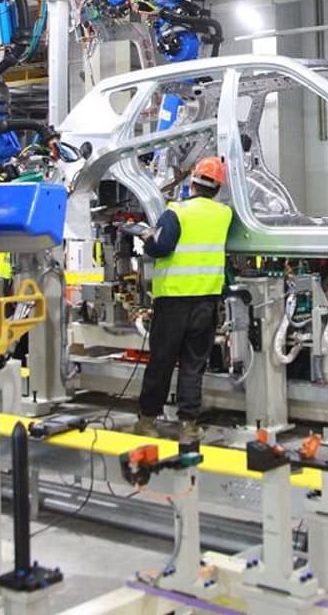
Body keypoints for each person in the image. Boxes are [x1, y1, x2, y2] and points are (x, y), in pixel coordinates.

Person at [133, 156, 234, 442]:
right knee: (193, 364)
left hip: (174, 300)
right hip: (206, 301)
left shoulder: (176, 212)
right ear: (218, 188)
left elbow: (160, 248)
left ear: (192, 182)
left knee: (162, 362)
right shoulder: (224, 214)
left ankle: (148, 421)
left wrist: (147, 237)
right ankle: (188, 425)